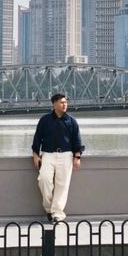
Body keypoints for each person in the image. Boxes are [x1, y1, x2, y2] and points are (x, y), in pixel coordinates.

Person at [31, 93, 84, 222]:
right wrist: (35, 155)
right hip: (48, 154)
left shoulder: (72, 121)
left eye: (66, 102)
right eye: (61, 102)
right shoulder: (45, 120)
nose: (64, 105)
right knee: (43, 179)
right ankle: (49, 209)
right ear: (54, 104)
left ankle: (57, 214)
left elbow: (77, 140)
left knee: (62, 185)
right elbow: (37, 138)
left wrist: (77, 157)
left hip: (66, 155)